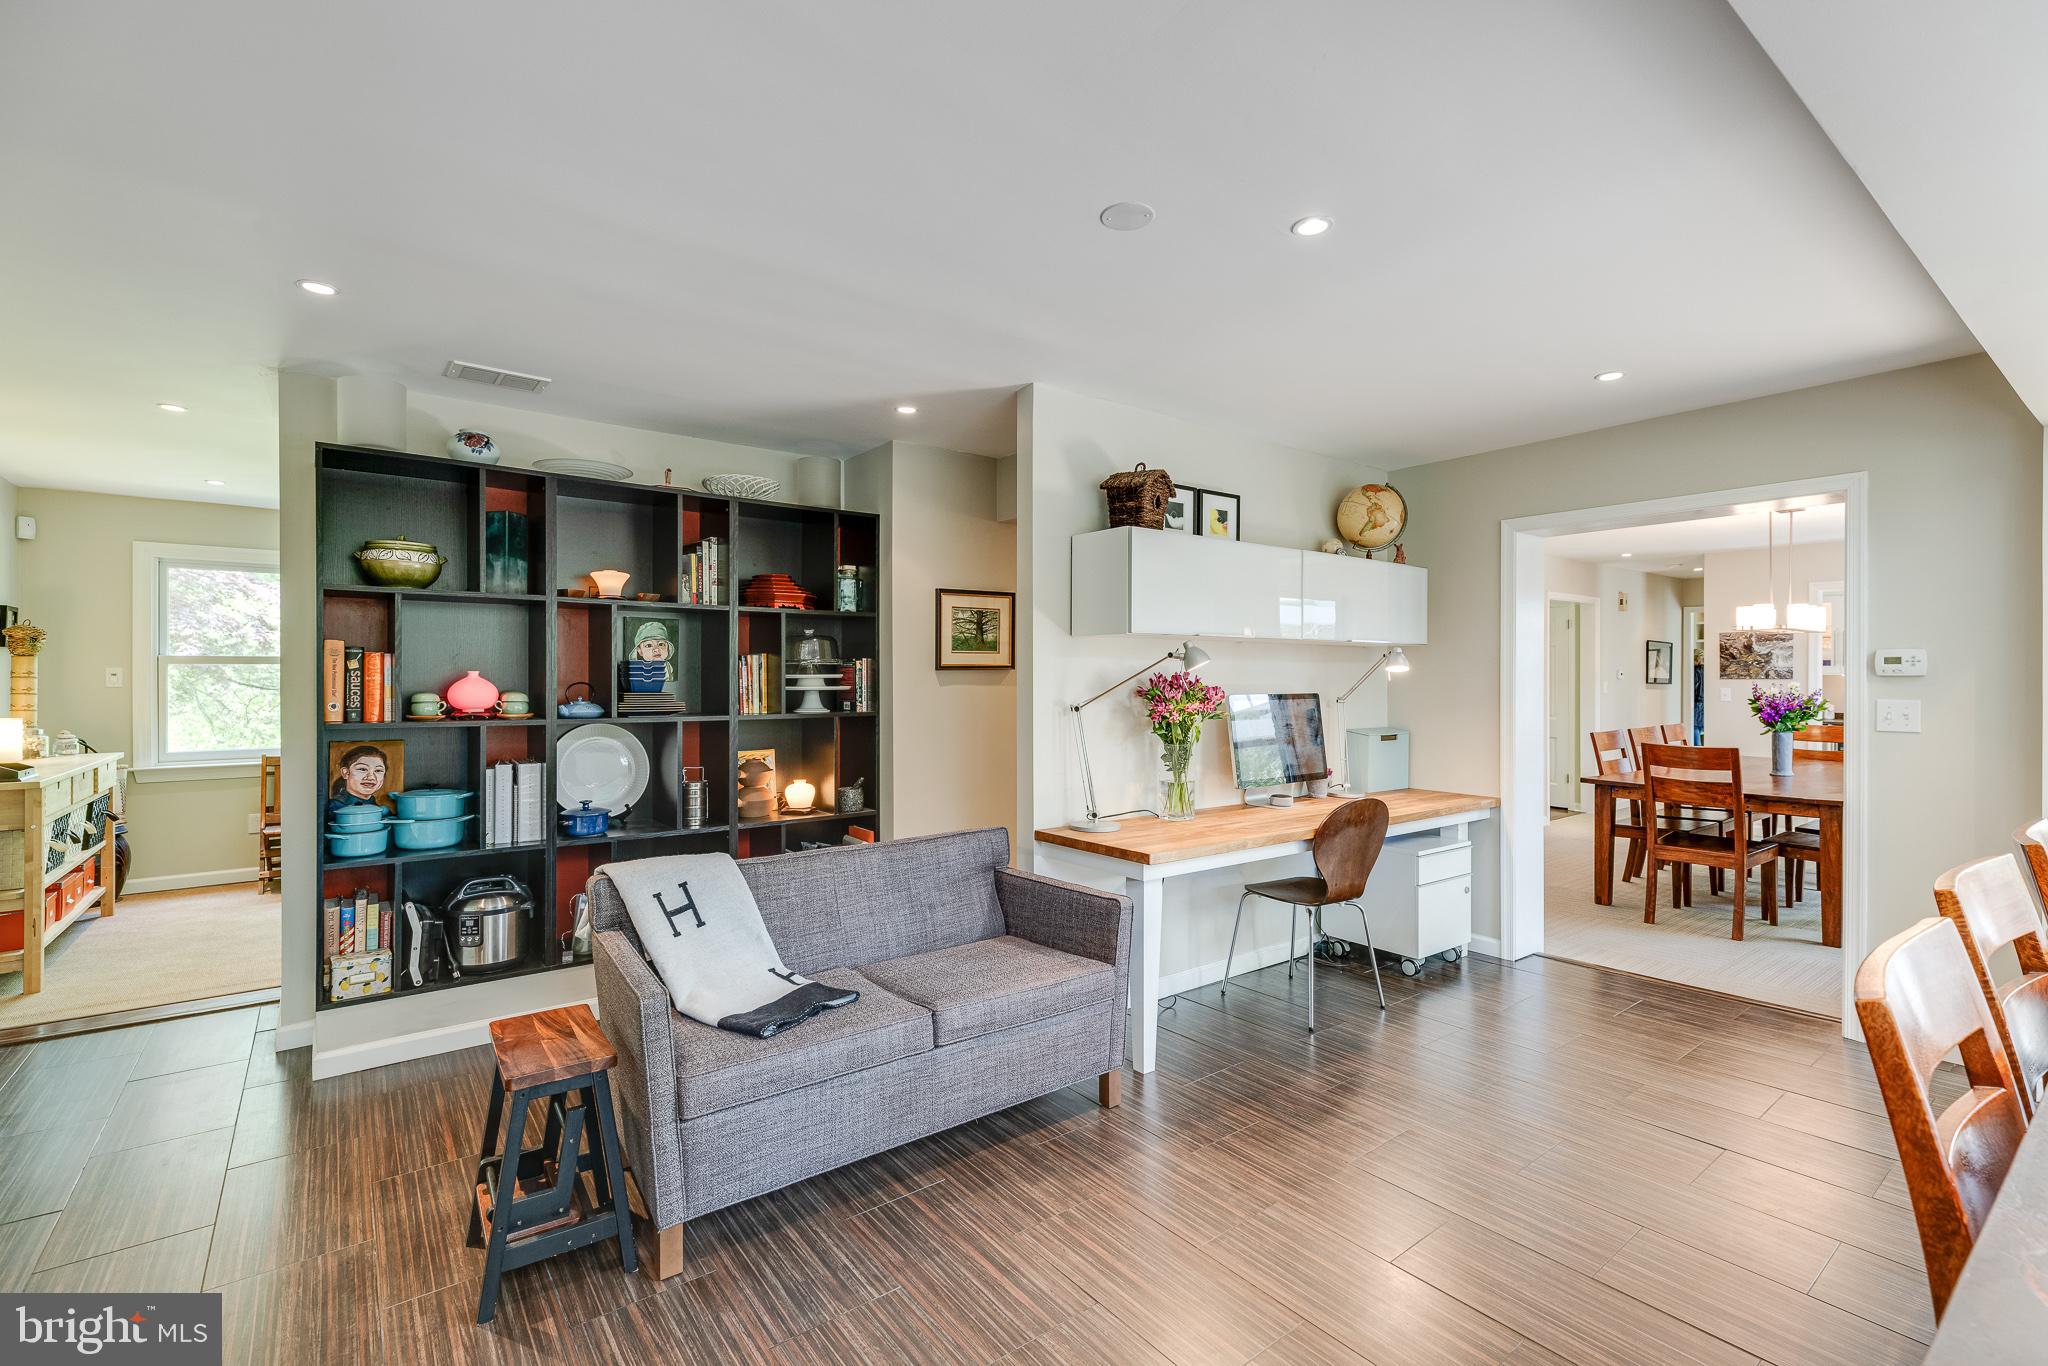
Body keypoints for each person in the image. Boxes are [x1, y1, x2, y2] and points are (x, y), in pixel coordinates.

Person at [328, 743, 389, 819]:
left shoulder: (377, 807)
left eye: (378, 770)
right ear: (346, 773)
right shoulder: (335, 807)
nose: (371, 777)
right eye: (362, 769)